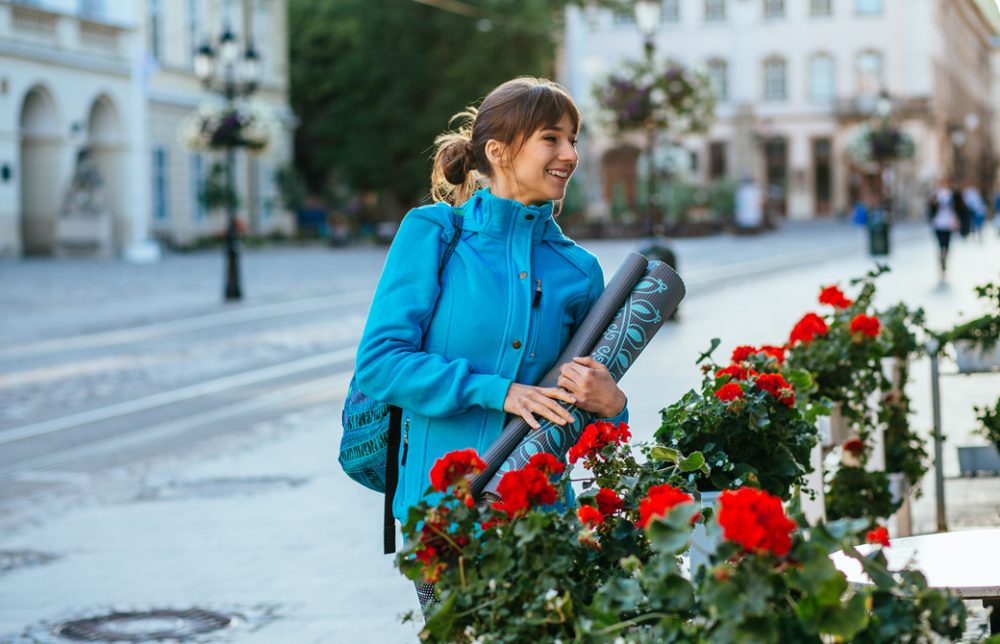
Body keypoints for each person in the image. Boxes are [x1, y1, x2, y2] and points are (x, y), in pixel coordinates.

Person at [354, 77, 628, 609]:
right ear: (499, 152)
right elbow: (380, 363)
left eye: (574, 139)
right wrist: (499, 391)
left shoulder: (580, 270)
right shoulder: (435, 234)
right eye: (552, 138)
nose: (570, 154)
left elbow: (586, 417)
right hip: (444, 514)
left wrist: (611, 404)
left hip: (541, 520)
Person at [928, 180, 959, 280]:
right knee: (941, 246)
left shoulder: (952, 196)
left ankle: (944, 260)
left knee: (947, 245)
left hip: (948, 225)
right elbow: (931, 209)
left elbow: (957, 208)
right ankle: (942, 262)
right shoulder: (935, 195)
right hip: (938, 225)